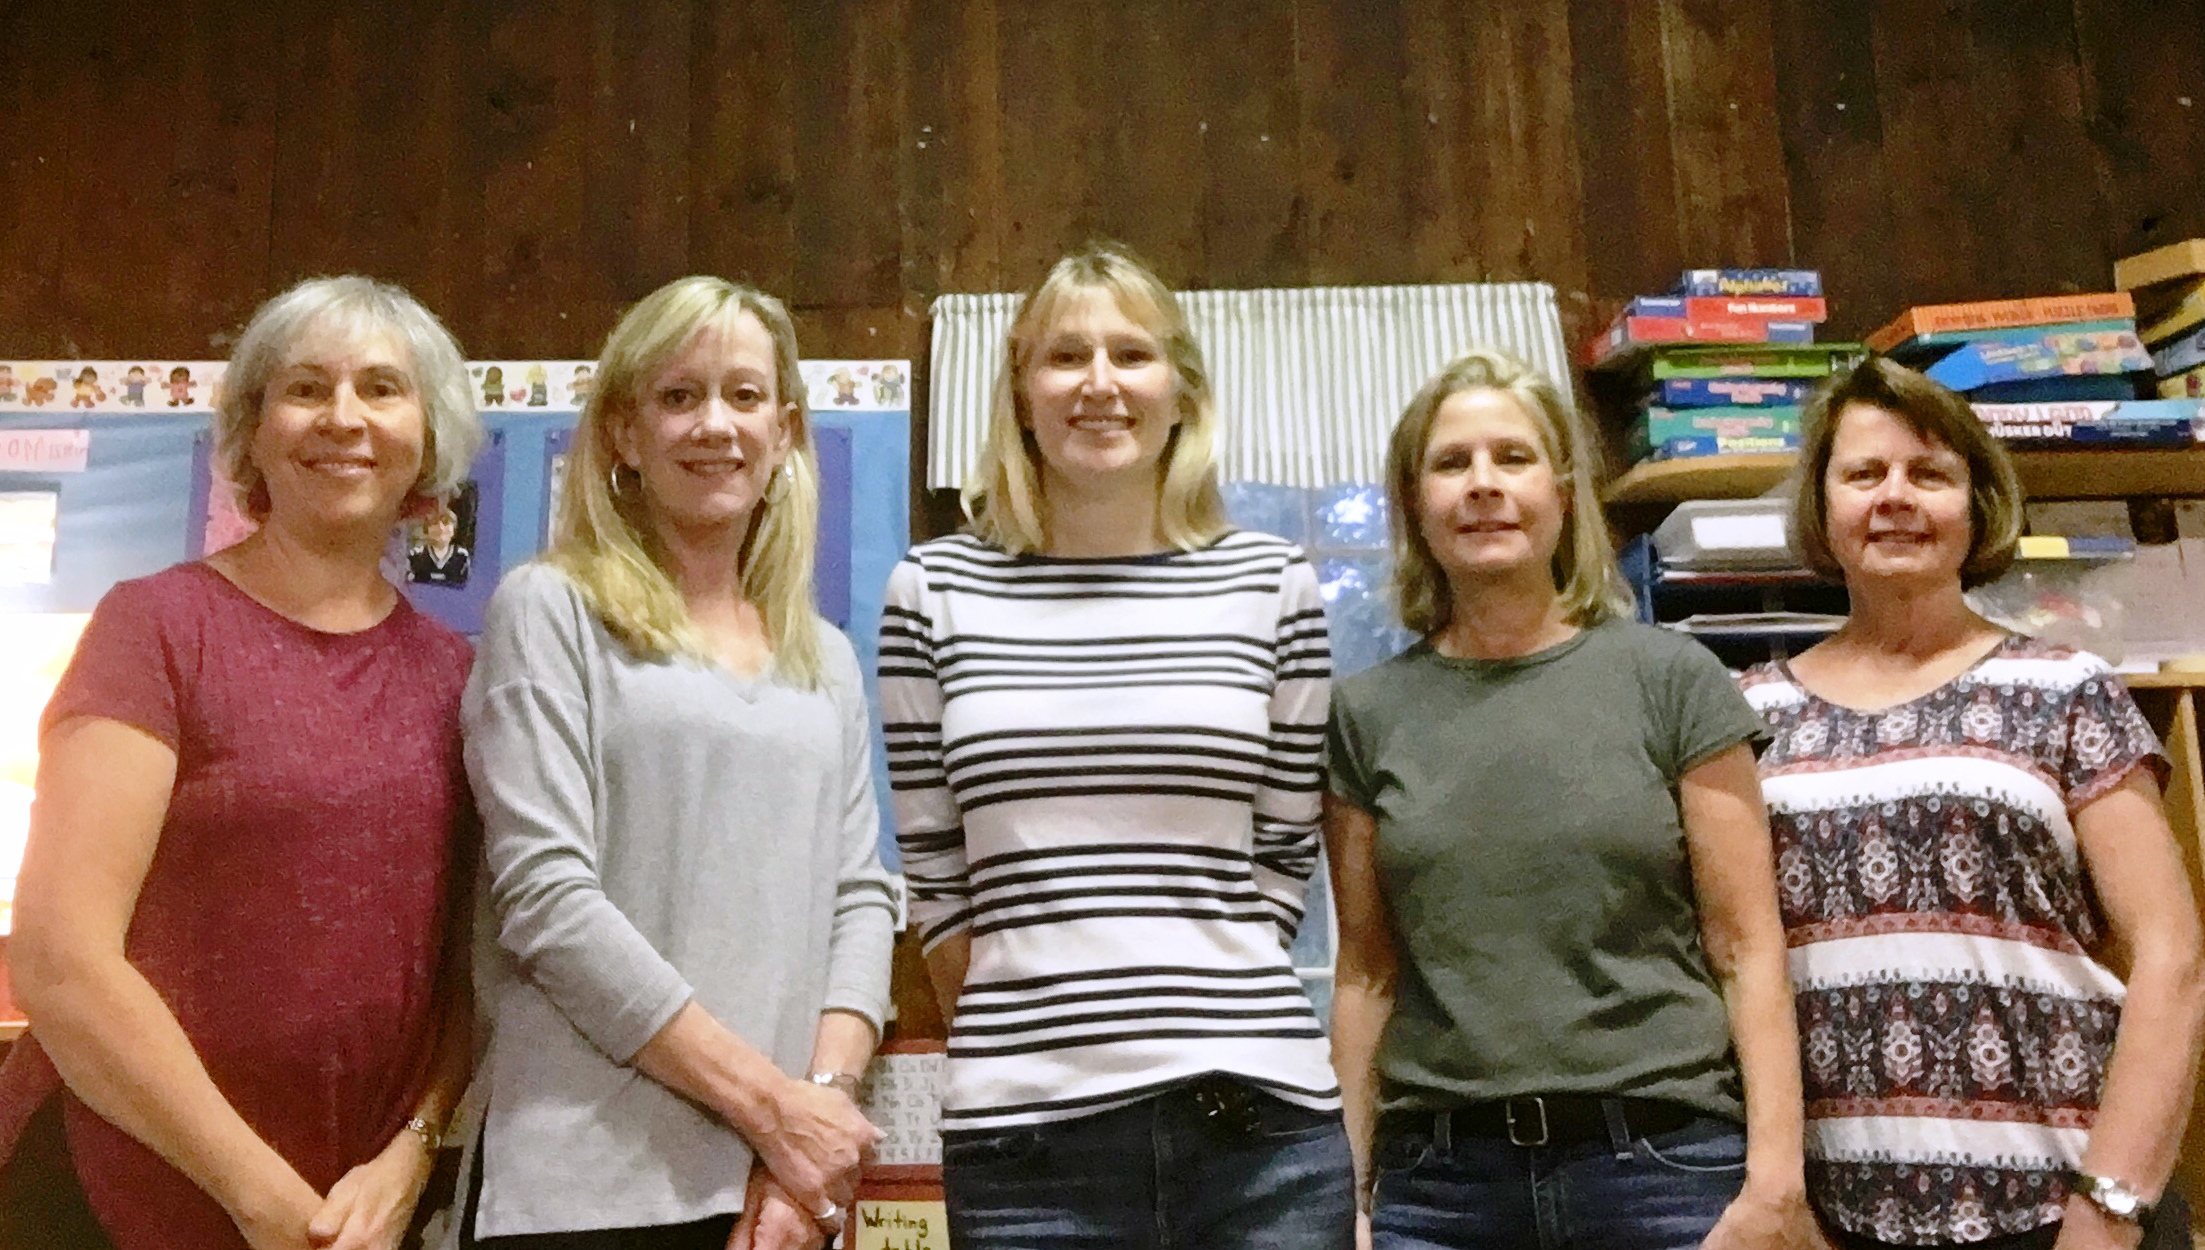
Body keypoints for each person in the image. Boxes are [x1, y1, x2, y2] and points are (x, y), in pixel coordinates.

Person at [879, 243, 1354, 1250]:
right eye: (1066, 357)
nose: (1099, 383)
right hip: (1028, 1146)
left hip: (1257, 1133)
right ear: (1020, 392)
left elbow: (1281, 858)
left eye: (1131, 354)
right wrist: (1047, 1029)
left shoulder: (1273, 585)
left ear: (1180, 391)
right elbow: (937, 876)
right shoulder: (931, 591)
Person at [0, 275, 485, 1250]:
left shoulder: (459, 676)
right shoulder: (159, 627)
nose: (343, 417)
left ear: (428, 439)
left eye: (382, 388)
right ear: (253, 430)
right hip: (116, 1191)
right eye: (305, 387)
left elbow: (466, 974)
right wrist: (262, 1197)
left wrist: (414, 1153)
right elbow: (58, 958)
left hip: (360, 1215)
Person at [1325, 348, 1820, 1250]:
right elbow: (1364, 975)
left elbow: (1746, 947)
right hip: (1439, 1189)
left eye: (1511, 458)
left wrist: (1775, 1181)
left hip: (1662, 1169)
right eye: (1451, 463)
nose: (1483, 485)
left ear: (1561, 492)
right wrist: (1348, 1201)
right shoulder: (1366, 715)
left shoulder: (1672, 679)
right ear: (1414, 505)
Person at [459, 275, 896, 1250]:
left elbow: (862, 897)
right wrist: (772, 1109)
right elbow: (547, 900)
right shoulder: (550, 610)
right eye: (678, 395)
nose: (715, 425)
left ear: (783, 431)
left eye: (744, 397)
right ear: (622, 432)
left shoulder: (821, 653)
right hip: (583, 1192)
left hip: (772, 1196)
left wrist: (811, 1128)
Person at [1738, 357, 2205, 1250]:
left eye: (1930, 474)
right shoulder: (1748, 716)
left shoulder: (2067, 690)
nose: (1895, 497)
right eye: (1863, 474)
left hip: (2058, 1210)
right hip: (1837, 1222)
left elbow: (2170, 959)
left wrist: (2106, 1212)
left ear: (1977, 502)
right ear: (1820, 505)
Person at [408, 505, 471, 586]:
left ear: (454, 529)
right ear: (426, 529)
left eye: (446, 523)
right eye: (434, 523)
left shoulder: (462, 556)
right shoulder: (416, 555)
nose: (441, 528)